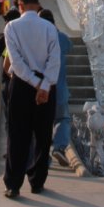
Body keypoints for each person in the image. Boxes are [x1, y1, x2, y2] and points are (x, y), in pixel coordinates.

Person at [3, 0, 60, 198]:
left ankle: (13, 184)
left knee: (18, 134)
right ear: (38, 6)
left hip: (22, 84)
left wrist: (35, 83)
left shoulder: (11, 27)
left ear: (20, 6)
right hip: (46, 85)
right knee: (43, 136)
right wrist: (44, 85)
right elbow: (55, 60)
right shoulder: (49, 27)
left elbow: (16, 62)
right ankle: (37, 182)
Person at [38, 9, 72, 167]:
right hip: (59, 87)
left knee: (42, 122)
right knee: (63, 119)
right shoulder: (61, 38)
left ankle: (43, 154)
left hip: (40, 87)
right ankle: (59, 146)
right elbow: (69, 46)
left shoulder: (37, 38)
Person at [0, 8, 20, 119]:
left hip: (9, 80)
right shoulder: (25, 36)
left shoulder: (5, 37)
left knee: (10, 113)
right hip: (26, 80)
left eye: (6, 20)